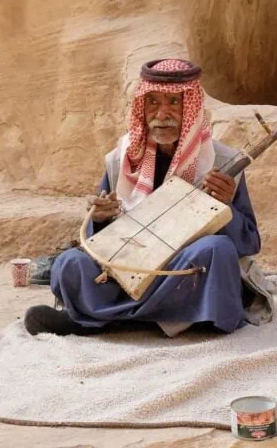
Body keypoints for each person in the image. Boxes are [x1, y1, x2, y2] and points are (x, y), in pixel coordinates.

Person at [24, 58, 261, 336]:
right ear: (142, 108)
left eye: (174, 102)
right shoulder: (120, 160)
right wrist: (99, 219)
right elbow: (98, 240)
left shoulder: (222, 161)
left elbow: (249, 242)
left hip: (180, 270)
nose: (162, 114)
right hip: (129, 267)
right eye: (153, 103)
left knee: (215, 251)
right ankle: (167, 318)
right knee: (69, 263)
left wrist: (225, 207)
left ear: (192, 108)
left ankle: (101, 319)